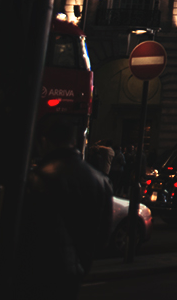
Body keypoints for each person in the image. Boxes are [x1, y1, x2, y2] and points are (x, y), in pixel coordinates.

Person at [18, 114, 114, 299]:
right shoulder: (101, 181)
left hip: (36, 272)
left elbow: (25, 233)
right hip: (76, 272)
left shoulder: (37, 178)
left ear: (44, 141)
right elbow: (103, 238)